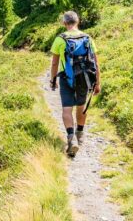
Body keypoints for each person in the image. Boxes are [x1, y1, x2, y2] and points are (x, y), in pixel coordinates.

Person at [50, 11, 101, 157]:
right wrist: (97, 82)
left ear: (64, 23)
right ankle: (80, 133)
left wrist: (53, 80)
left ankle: (71, 138)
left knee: (67, 109)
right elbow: (96, 63)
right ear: (78, 21)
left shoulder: (60, 39)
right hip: (84, 78)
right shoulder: (87, 38)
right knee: (81, 106)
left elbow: (54, 63)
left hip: (66, 78)